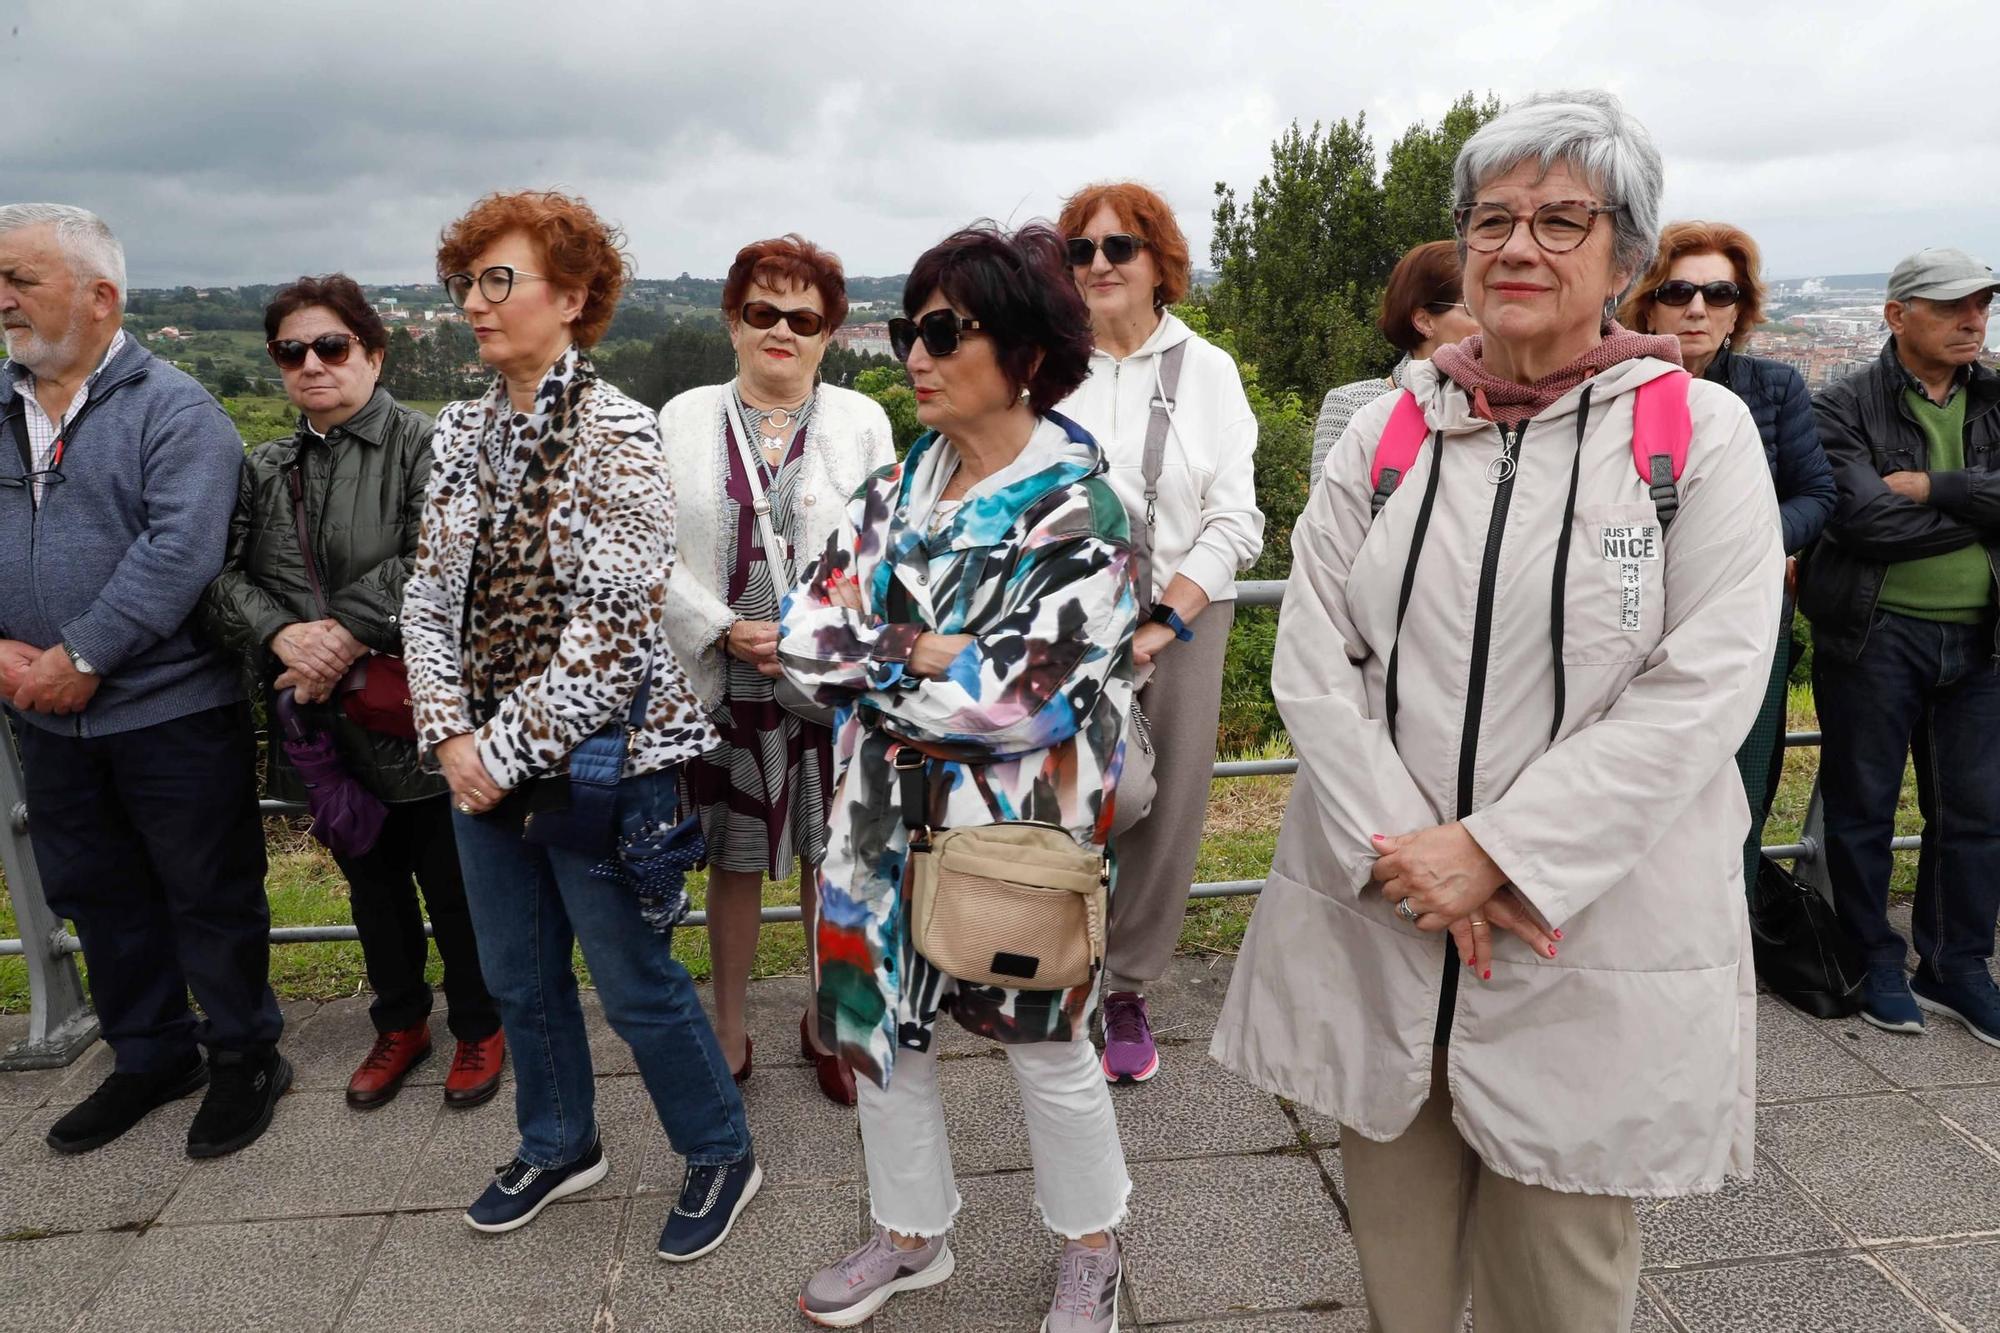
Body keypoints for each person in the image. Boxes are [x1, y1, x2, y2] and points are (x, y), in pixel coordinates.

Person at [1210, 92, 1784, 1331]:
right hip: (1391, 908)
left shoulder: (1698, 434)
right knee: (1398, 1285)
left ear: (1622, 257)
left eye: (1560, 220)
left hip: (1573, 925)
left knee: (1559, 1283)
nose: (1517, 245)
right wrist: (1416, 857)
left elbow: (1708, 681)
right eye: (1491, 219)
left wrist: (1499, 853)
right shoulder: (1391, 427)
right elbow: (1315, 654)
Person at [782, 223, 1138, 1333]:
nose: (912, 356)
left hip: (1016, 831)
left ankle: (1092, 1249)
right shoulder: (889, 491)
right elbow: (804, 637)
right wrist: (920, 654)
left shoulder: (1082, 511)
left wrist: (879, 660)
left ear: (1025, 352)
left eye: (942, 331)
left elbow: (1020, 700)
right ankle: (909, 1232)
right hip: (870, 819)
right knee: (869, 1031)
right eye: (906, 330)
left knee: (1043, 1040)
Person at [400, 190, 759, 1254]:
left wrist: (495, 756)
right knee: (516, 973)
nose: (474, 302)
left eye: (497, 280)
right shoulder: (459, 430)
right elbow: (427, 597)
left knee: (633, 977)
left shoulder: (621, 433)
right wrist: (451, 739)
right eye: (465, 281)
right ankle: (559, 1140)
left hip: (602, 760)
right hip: (475, 760)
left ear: (571, 297)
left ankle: (718, 1149)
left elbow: (610, 630)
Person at [0, 203, 289, 1158]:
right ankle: (152, 1054)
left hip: (169, 709)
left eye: (20, 280)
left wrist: (81, 656)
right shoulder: (1, 409)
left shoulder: (176, 408)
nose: (2, 301)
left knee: (207, 886)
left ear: (100, 295)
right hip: (42, 715)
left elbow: (183, 549)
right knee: (94, 887)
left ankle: (246, 1053)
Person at [203, 274, 505, 1111]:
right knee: (370, 885)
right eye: (290, 351)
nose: (311, 364)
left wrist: (338, 633)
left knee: (452, 883)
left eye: (331, 346)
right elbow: (217, 579)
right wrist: (281, 636)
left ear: (372, 353)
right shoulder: (262, 467)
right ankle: (400, 1022)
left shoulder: (427, 444)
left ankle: (481, 1023)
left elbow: (441, 558)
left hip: (420, 712)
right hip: (323, 729)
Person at [658, 235, 894, 1106]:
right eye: (764, 312)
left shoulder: (864, 423)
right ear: (733, 320)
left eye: (805, 317)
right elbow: (648, 547)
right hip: (726, 677)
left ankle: (825, 1017)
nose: (782, 331)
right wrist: (722, 628)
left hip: (826, 679)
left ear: (829, 333)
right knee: (736, 857)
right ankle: (727, 1021)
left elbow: (883, 547)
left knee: (831, 857)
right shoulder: (681, 417)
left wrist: (819, 633)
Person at [1053, 181, 1265, 1084]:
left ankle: (1128, 984)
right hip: (1060, 620)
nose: (1099, 264)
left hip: (1179, 615)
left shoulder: (1207, 370)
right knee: (1075, 797)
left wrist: (1166, 618)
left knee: (1166, 804)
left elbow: (1237, 518)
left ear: (1157, 263)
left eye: (1119, 248)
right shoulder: (1045, 368)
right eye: (1082, 251)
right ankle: (1052, 967)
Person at [1799, 246, 2000, 1046]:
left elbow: (1896, 511)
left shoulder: (1996, 395)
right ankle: (1872, 955)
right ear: (1896, 315)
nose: (1972, 319)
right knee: (1862, 807)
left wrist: (1935, 486)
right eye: (1953, 305)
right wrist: (1985, 506)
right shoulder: (1842, 402)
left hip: (1983, 638)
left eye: (1982, 304)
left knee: (1978, 812)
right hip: (1876, 633)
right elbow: (1862, 521)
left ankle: (1957, 965)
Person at [1621, 222, 1836, 896]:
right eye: (1677, 289)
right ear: (1647, 301)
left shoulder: (1775, 388)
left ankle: (1725, 936)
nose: (1697, 308)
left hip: (1745, 621)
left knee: (1738, 789)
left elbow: (1818, 493)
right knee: (1629, 787)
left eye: (1719, 293)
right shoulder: (1612, 386)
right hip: (1632, 614)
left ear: (1741, 308)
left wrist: (1749, 540)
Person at [1311, 240, 1481, 489]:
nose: (1488, 322)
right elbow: (1324, 520)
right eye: (1472, 308)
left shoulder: (1491, 409)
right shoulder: (1353, 404)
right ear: (1424, 321)